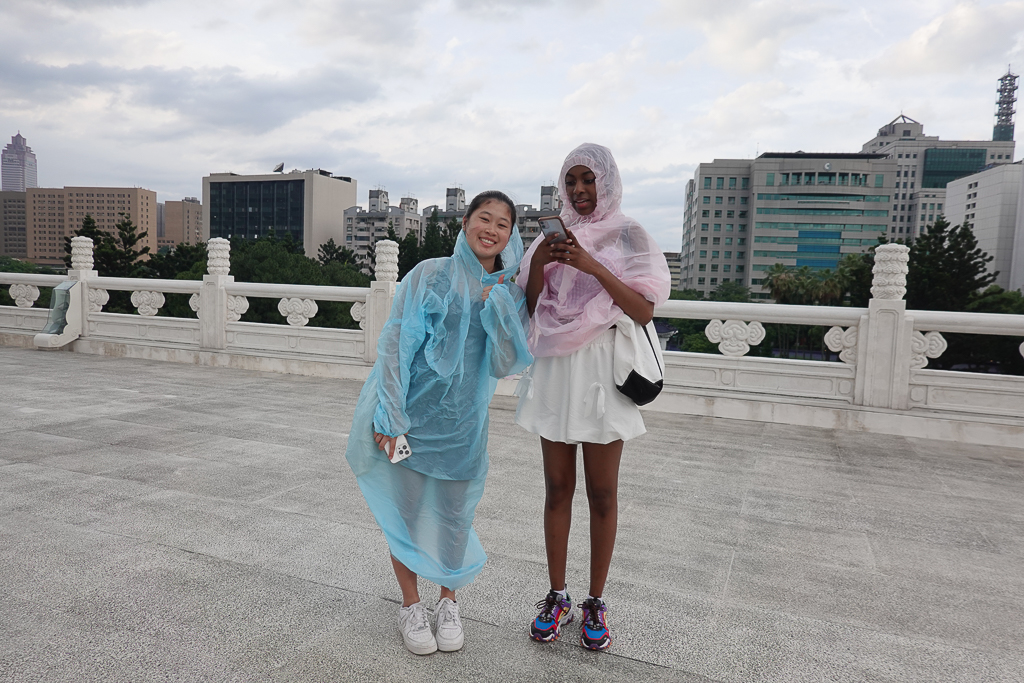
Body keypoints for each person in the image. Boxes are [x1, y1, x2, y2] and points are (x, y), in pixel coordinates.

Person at [345, 191, 532, 656]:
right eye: (484, 218)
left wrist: (498, 308)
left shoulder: (510, 293)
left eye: (502, 224)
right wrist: (392, 414)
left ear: (511, 235)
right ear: (465, 222)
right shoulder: (430, 274)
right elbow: (396, 344)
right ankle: (410, 605)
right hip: (414, 416)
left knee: (455, 516)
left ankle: (448, 602)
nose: (491, 229)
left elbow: (506, 364)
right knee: (405, 514)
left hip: (464, 424)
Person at [515, 143, 671, 651]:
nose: (580, 190)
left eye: (589, 180)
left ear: (607, 181)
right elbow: (531, 306)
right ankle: (556, 595)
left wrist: (591, 265)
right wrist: (541, 260)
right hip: (556, 368)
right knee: (557, 488)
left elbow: (643, 310)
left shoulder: (629, 234)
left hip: (604, 369)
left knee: (602, 493)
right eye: (571, 181)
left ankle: (595, 601)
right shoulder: (551, 234)